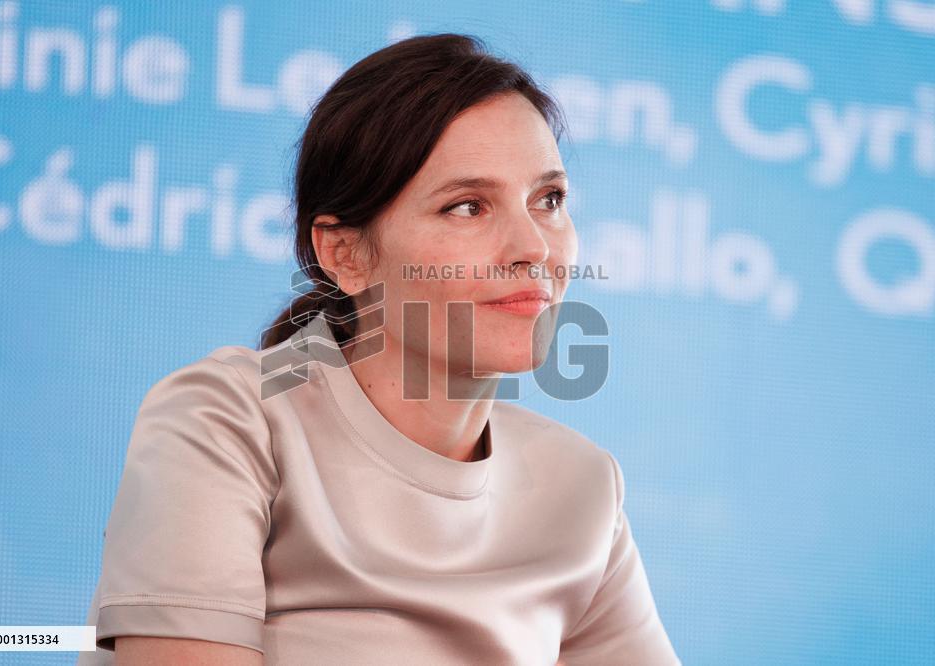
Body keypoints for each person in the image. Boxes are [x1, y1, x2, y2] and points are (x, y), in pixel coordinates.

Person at [78, 32, 680, 665]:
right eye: (467, 207)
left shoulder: (584, 487)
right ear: (345, 254)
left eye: (549, 200)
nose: (533, 247)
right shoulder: (227, 416)